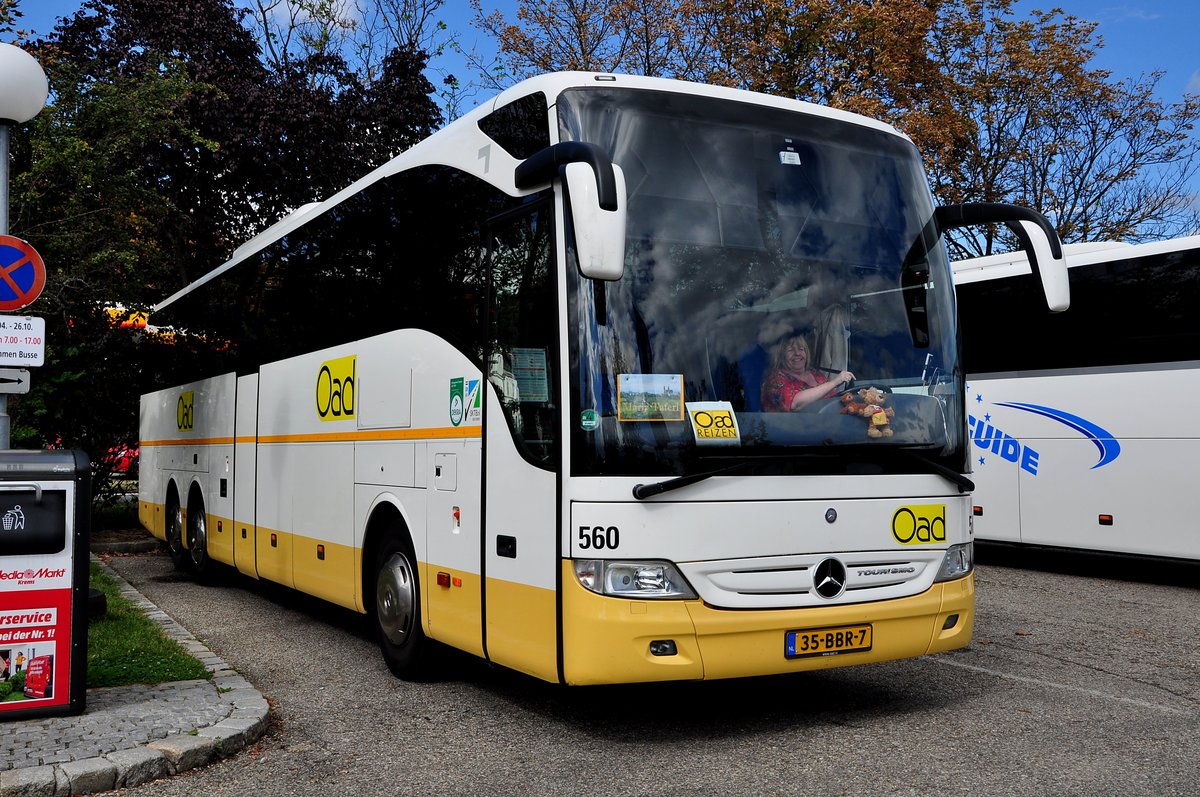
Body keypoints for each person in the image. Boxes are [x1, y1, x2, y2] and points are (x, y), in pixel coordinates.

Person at [761, 334, 854, 412]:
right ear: (781, 356)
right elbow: (795, 403)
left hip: (826, 427)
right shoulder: (775, 379)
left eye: (801, 349)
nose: (797, 353)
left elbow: (832, 399)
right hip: (792, 432)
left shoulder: (816, 375)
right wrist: (835, 382)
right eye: (790, 350)